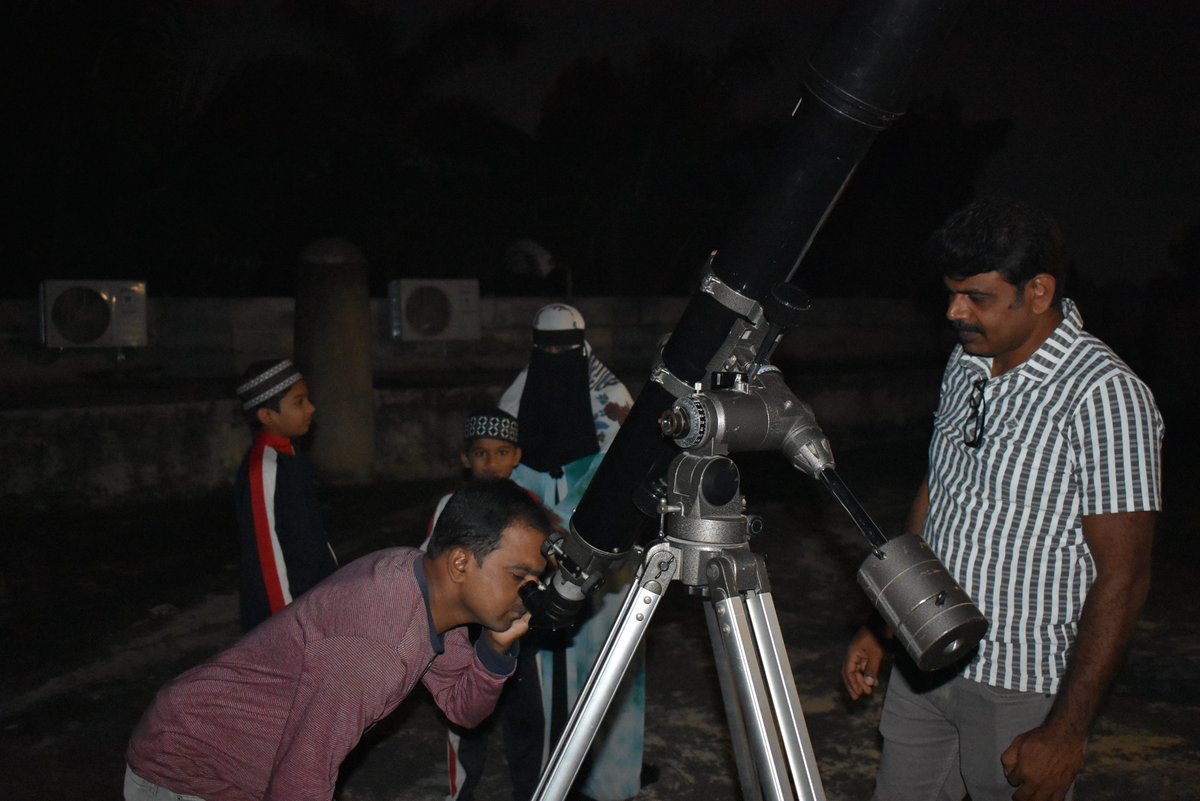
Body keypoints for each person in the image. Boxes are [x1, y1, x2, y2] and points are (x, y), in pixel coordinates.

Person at [841, 198, 1163, 801]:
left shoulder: (1105, 397)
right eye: (951, 292)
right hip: (928, 660)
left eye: (976, 297)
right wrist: (888, 625)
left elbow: (1125, 575)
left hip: (1025, 687)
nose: (954, 311)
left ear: (1037, 292)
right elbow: (937, 491)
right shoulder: (966, 362)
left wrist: (1066, 730)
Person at [123, 479, 551, 801]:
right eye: (519, 577)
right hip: (189, 765)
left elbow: (463, 708)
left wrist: (495, 650)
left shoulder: (426, 585)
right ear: (461, 562)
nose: (527, 592)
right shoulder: (374, 649)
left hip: (249, 759)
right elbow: (301, 777)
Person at [499, 303, 647, 801]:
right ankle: (552, 776)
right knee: (543, 675)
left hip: (604, 561)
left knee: (608, 667)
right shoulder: (517, 397)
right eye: (548, 349)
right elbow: (501, 471)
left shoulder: (611, 399)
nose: (557, 357)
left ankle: (610, 780)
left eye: (566, 349)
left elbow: (625, 473)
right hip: (537, 556)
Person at [422, 408, 545, 801]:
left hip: (517, 629)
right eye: (480, 453)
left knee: (527, 717)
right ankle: (461, 792)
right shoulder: (451, 506)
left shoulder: (530, 508)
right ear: (465, 458)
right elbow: (431, 564)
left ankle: (535, 791)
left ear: (516, 457)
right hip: (465, 633)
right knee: (465, 722)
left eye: (501, 452)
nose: (491, 463)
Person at [233, 358, 338, 631]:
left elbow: (313, 534)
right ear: (267, 416)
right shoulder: (263, 468)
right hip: (285, 617)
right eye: (299, 402)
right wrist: (285, 626)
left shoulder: (293, 457)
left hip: (312, 604)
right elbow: (266, 556)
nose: (310, 408)